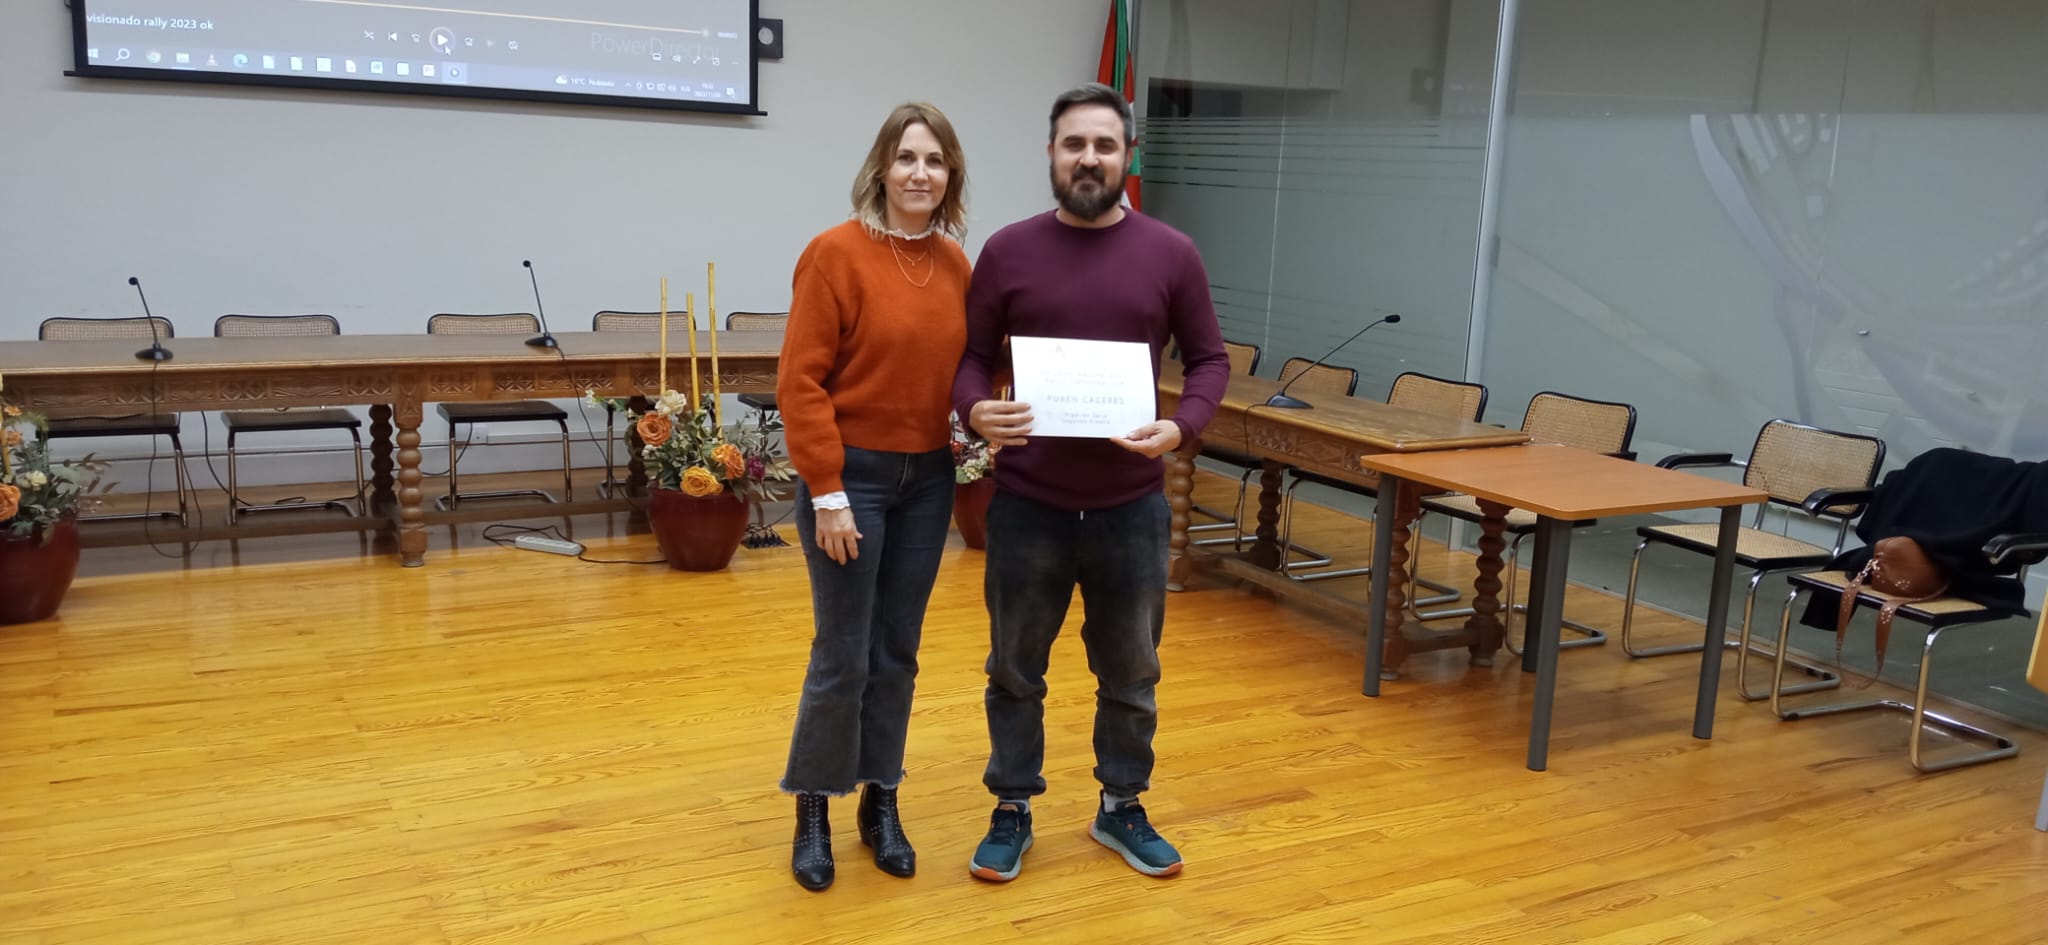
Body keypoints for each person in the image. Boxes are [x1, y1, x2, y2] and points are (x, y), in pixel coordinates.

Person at [952, 83, 1231, 882]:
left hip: (1130, 509)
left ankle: (1121, 804)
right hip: (1026, 507)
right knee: (1014, 669)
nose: (1088, 158)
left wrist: (1182, 426)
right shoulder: (1007, 250)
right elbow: (971, 358)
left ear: (1127, 155)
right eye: (1074, 143)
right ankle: (1012, 806)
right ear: (1050, 153)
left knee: (1132, 673)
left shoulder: (1172, 253)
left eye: (1104, 145)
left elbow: (1209, 360)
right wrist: (975, 408)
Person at [776, 102, 972, 892]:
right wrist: (826, 489)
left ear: (950, 175)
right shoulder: (834, 254)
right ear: (882, 169)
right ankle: (814, 805)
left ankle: (880, 797)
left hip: (927, 482)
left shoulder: (956, 265)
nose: (921, 173)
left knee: (898, 650)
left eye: (935, 160)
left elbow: (971, 369)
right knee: (844, 652)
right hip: (848, 481)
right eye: (907, 158)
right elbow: (800, 381)